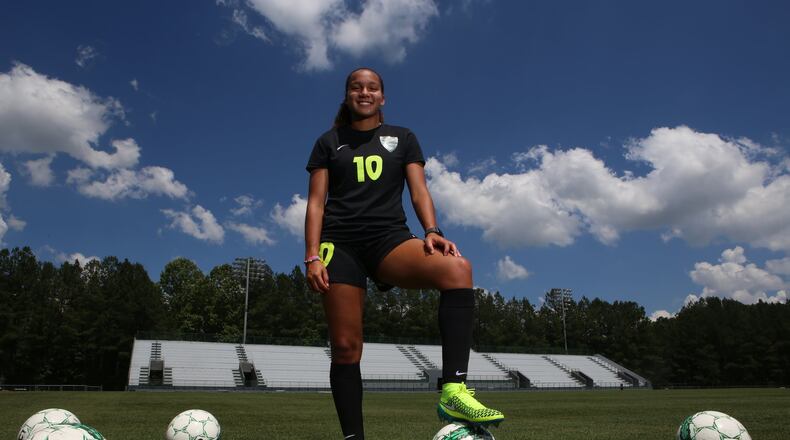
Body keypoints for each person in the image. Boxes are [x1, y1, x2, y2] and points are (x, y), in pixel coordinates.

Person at [304, 67, 504, 439]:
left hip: (389, 240)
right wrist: (312, 255)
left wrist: (431, 230)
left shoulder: (404, 137)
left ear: (383, 97)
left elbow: (419, 192)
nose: (364, 92)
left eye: (372, 87)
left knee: (457, 269)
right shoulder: (328, 142)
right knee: (346, 348)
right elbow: (316, 203)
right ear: (347, 95)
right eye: (356, 87)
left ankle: (454, 391)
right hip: (340, 245)